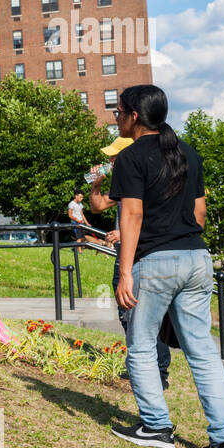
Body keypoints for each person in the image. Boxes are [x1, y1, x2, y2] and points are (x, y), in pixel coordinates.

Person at [109, 84, 224, 448]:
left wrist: (125, 272)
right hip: (197, 259)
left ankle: (156, 427)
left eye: (119, 112)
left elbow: (132, 215)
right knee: (203, 352)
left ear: (134, 116)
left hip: (155, 261)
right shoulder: (189, 153)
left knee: (141, 346)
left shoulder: (131, 157)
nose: (116, 118)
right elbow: (199, 215)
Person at [89, 136, 175, 390]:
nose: (110, 161)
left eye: (114, 157)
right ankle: (144, 365)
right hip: (125, 258)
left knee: (144, 315)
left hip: (144, 258)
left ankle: (158, 371)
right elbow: (97, 206)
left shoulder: (147, 180)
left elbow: (154, 218)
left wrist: (123, 233)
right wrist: (96, 185)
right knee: (127, 314)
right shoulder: (126, 180)